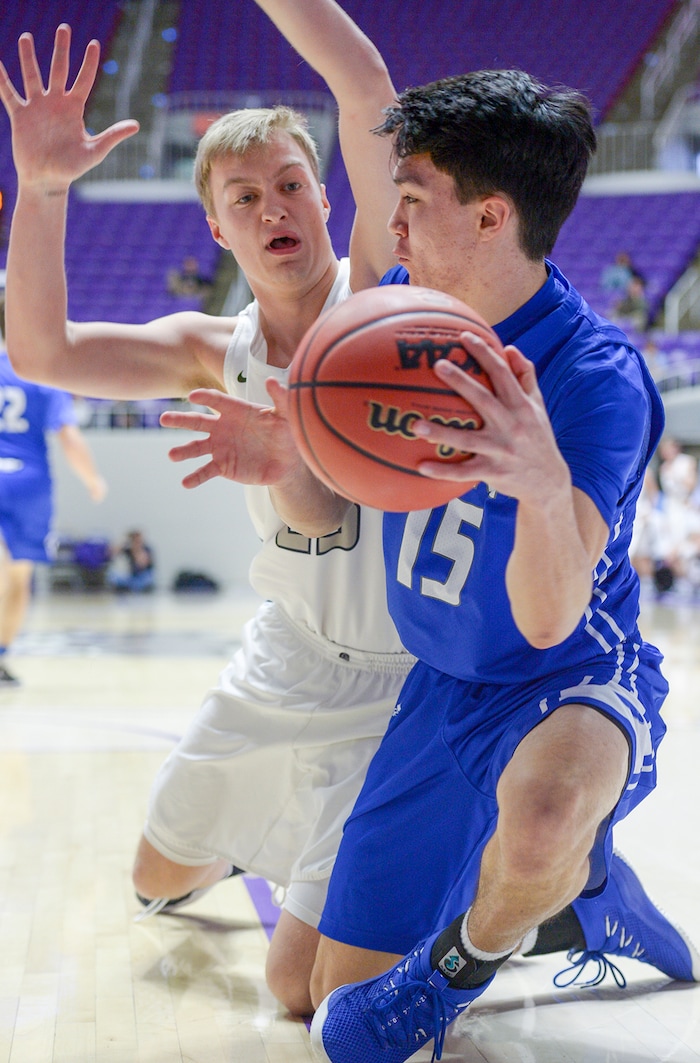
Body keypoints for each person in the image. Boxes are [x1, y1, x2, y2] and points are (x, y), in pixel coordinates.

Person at [203, 37, 699, 1062]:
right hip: (439, 688)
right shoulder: (398, 314)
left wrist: (532, 475)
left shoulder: (595, 378)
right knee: (307, 992)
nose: (389, 221)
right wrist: (290, 439)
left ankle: (471, 954)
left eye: (412, 197)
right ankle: (573, 892)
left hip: (562, 677)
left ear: (488, 215)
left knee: (544, 811)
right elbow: (356, 458)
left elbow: (553, 614)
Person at [0, 5, 407, 1016]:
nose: (275, 207)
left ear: (326, 198)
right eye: (245, 196)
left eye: (290, 184)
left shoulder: (386, 297)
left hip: (401, 677)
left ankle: (490, 891)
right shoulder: (205, 345)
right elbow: (41, 354)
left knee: (300, 993)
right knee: (155, 879)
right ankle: (249, 847)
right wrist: (43, 190)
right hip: (287, 653)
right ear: (216, 227)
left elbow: (364, 87)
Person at [0, 334, 107, 685]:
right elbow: (69, 437)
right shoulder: (38, 372)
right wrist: (93, 479)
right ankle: (1, 656)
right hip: (30, 484)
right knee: (19, 577)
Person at [107, 529, 156, 593]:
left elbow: (141, 564)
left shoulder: (146, 549)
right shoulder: (128, 550)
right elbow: (112, 553)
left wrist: (137, 550)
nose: (137, 542)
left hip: (142, 577)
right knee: (114, 575)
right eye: (135, 540)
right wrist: (124, 539)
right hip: (130, 577)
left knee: (145, 580)